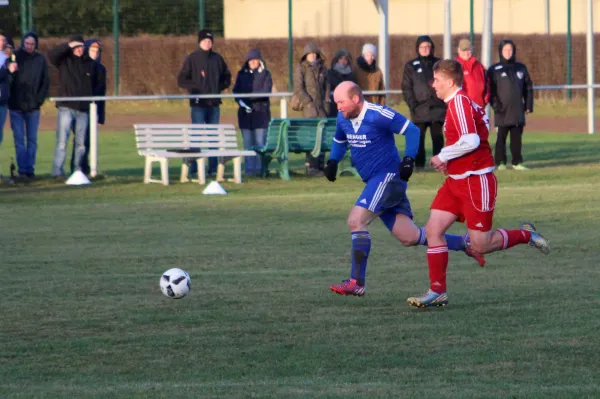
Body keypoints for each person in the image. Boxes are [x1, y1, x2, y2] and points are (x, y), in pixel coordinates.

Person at [406, 60, 550, 309]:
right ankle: (437, 291)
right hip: (456, 182)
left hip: (476, 182)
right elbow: (468, 139)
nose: (433, 84)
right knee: (433, 230)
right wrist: (449, 160)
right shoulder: (456, 103)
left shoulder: (459, 103)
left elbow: (471, 140)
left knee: (481, 244)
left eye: (437, 80)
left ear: (450, 82)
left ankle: (526, 234)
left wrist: (443, 155)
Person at [325, 81, 484, 297]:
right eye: (336, 103)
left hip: (388, 178)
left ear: (356, 98)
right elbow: (339, 140)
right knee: (409, 236)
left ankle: (356, 281)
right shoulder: (343, 118)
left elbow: (411, 130)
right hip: (375, 181)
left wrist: (408, 159)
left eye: (341, 102)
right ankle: (464, 243)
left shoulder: (378, 114)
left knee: (356, 221)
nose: (338, 107)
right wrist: (333, 161)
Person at [177, 29, 231, 176]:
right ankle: (194, 167)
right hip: (198, 104)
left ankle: (213, 168)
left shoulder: (217, 59)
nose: (207, 43)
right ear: (199, 42)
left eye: (210, 41)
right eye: (205, 41)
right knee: (196, 136)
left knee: (213, 137)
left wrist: (219, 87)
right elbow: (181, 79)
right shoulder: (192, 58)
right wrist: (196, 88)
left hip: (214, 104)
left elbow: (227, 76)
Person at [48, 35, 100, 178]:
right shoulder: (64, 60)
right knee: (62, 142)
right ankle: (57, 171)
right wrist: (68, 45)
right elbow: (52, 55)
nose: (79, 50)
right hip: (66, 107)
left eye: (81, 46)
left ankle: (77, 171)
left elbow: (97, 79)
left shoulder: (89, 63)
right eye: (76, 47)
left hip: (83, 109)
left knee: (81, 143)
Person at [8, 32, 50, 179]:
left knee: (32, 140)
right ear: (23, 43)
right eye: (27, 43)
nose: (29, 46)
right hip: (16, 106)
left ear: (36, 45)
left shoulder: (40, 60)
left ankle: (30, 169)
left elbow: (45, 82)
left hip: (33, 107)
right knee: (19, 139)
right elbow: (8, 78)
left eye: (32, 44)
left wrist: (39, 100)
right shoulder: (14, 57)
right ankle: (22, 170)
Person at [488, 40, 533, 170]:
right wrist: (495, 105)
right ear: (501, 52)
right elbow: (491, 90)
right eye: (505, 50)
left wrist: (528, 104)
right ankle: (500, 162)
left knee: (516, 138)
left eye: (510, 50)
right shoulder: (494, 69)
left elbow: (528, 87)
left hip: (517, 109)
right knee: (501, 137)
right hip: (502, 110)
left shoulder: (521, 68)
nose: (508, 52)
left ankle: (517, 162)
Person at [402, 35, 446, 170]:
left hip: (437, 109)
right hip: (419, 109)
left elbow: (445, 83)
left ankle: (438, 164)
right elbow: (407, 87)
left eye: (428, 46)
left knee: (437, 138)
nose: (426, 49)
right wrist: (413, 104)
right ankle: (419, 165)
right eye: (423, 47)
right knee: (418, 139)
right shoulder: (411, 66)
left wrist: (443, 102)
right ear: (418, 48)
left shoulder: (439, 64)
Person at [232, 49, 272, 176]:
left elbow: (266, 92)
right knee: (248, 144)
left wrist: (248, 97)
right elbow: (236, 92)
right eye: (251, 60)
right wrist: (242, 102)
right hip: (245, 115)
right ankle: (249, 171)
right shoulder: (241, 74)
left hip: (261, 114)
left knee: (260, 144)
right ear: (247, 62)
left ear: (260, 61)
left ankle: (261, 170)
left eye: (256, 60)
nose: (254, 62)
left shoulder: (266, 74)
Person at [70, 39, 106, 175]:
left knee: (88, 141)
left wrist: (101, 114)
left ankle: (84, 168)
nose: (95, 54)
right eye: (92, 51)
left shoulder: (101, 69)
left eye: (97, 51)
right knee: (80, 140)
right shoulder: (80, 66)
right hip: (80, 109)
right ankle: (76, 168)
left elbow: (102, 92)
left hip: (93, 110)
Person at [293, 42, 329, 175]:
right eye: (310, 54)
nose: (313, 56)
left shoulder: (323, 68)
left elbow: (327, 87)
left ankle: (320, 165)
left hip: (322, 109)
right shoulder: (301, 68)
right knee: (312, 138)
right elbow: (298, 88)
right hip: (309, 109)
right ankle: (311, 167)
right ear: (306, 55)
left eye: (315, 53)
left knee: (324, 137)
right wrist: (308, 102)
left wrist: (326, 103)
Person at [456, 38, 487, 108]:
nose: (466, 53)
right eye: (464, 50)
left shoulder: (479, 65)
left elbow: (486, 82)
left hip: (479, 106)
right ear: (458, 50)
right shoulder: (455, 66)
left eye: (468, 50)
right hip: (463, 107)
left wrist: (485, 99)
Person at [327, 49, 355, 117]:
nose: (343, 61)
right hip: (333, 105)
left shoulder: (351, 74)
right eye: (341, 58)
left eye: (345, 59)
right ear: (337, 60)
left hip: (347, 105)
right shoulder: (330, 73)